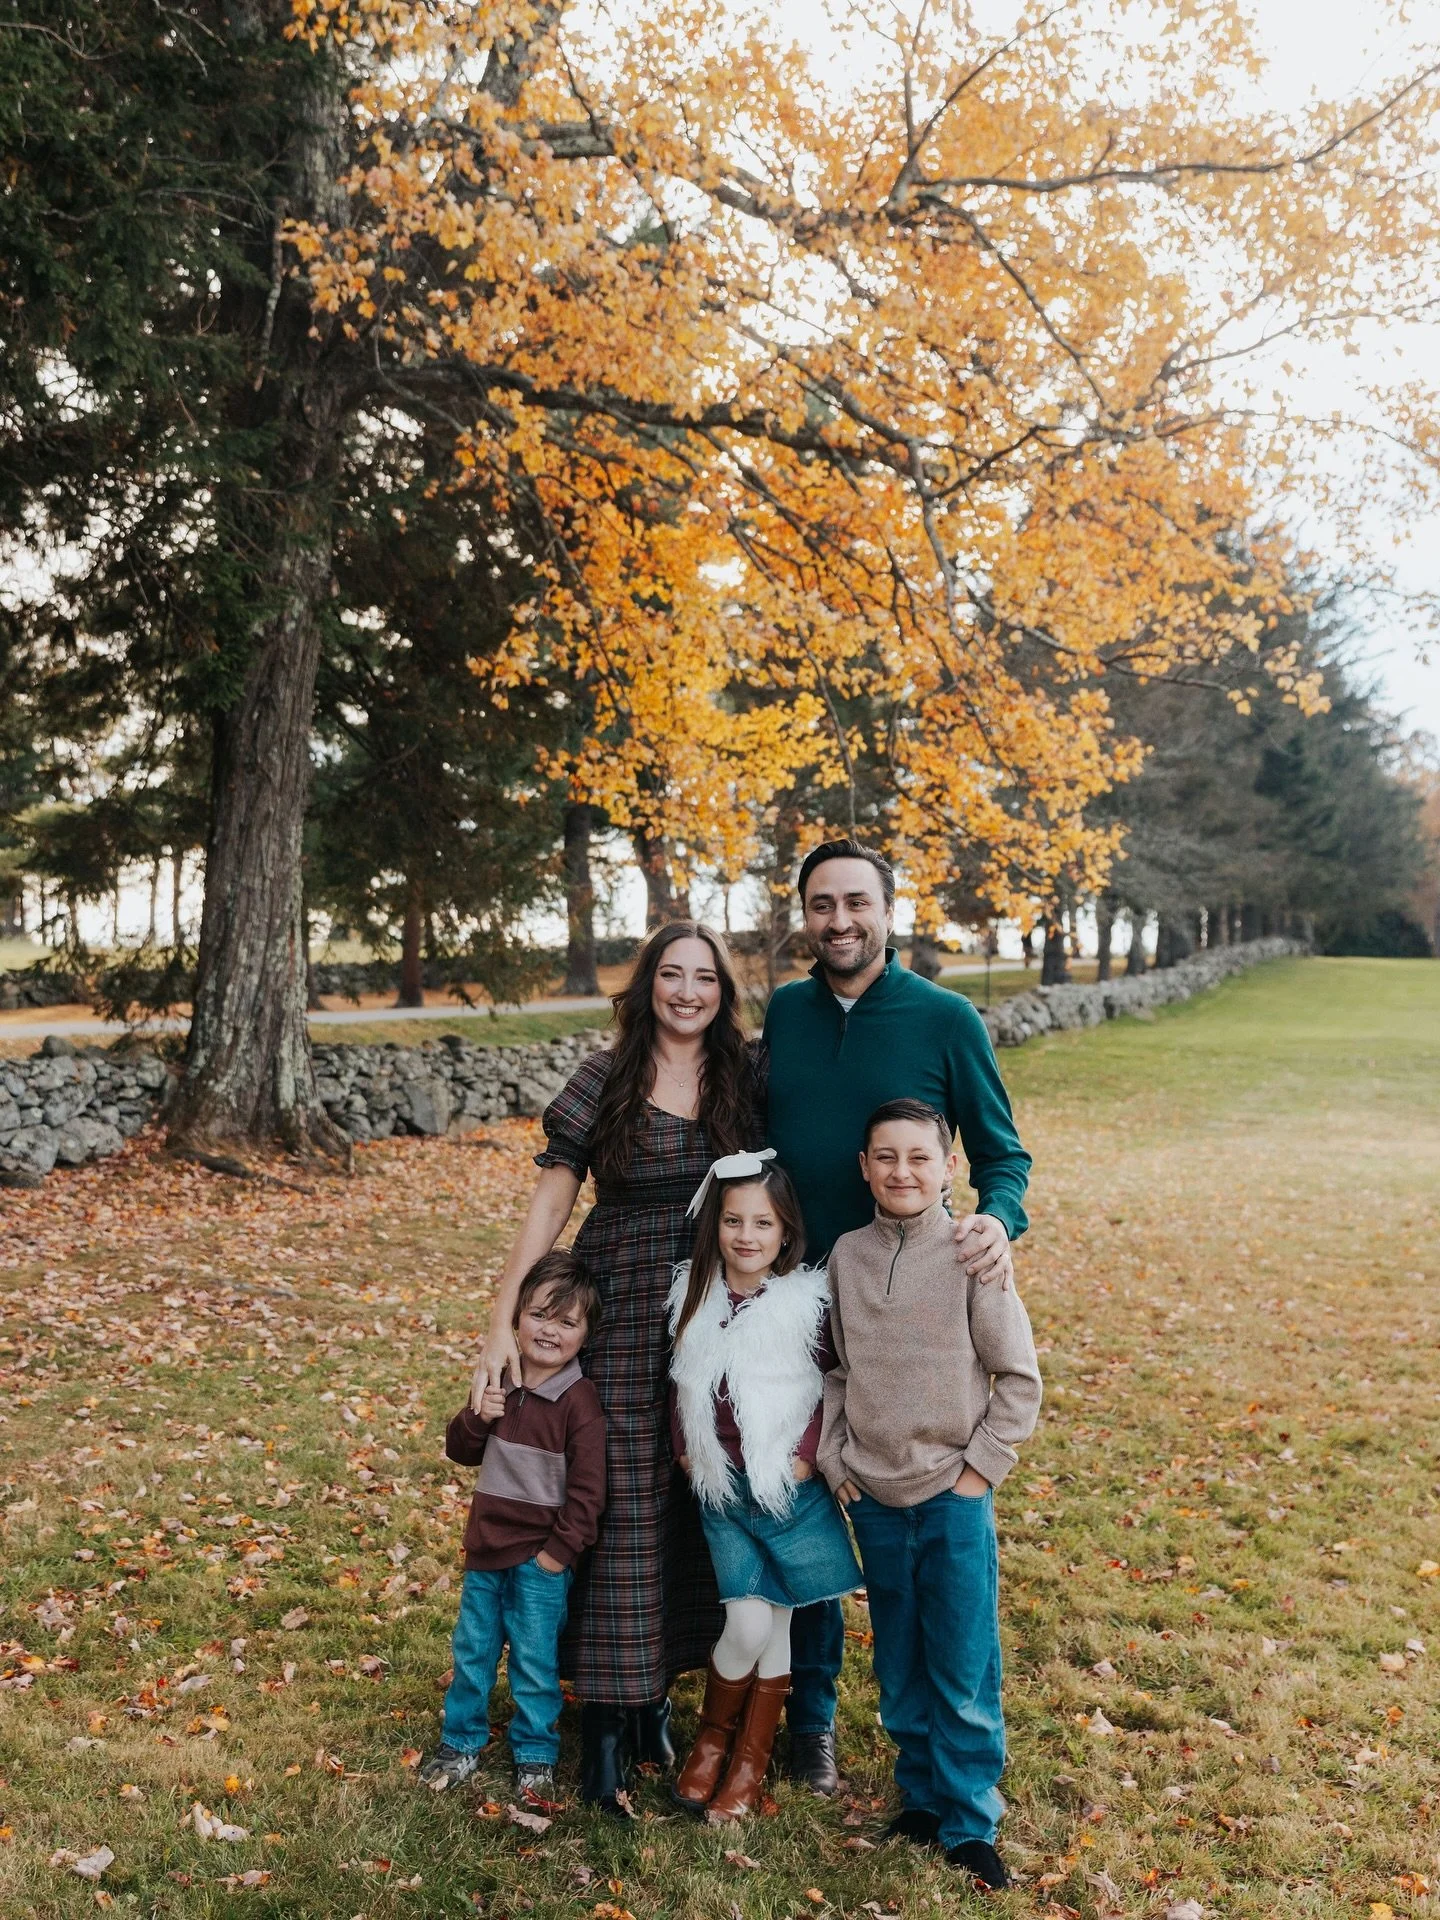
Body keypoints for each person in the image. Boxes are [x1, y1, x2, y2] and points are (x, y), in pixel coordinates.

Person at [472, 920, 763, 1811]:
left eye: (703, 977)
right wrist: (501, 1320)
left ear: (722, 991)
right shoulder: (604, 1080)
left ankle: (655, 1705)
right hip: (622, 1309)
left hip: (712, 1311)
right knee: (619, 1502)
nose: (686, 991)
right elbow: (550, 1202)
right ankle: (603, 1719)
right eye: (670, 975)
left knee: (690, 1505)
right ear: (647, 987)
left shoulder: (745, 1080)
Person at [763, 837, 1032, 1793]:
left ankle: (939, 1754)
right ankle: (810, 1719)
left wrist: (996, 1222)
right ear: (805, 915)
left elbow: (1004, 1157)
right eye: (822, 904)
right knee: (803, 1506)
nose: (841, 921)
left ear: (889, 911)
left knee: (910, 1544)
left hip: (908, 1308)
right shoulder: (785, 1016)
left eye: (857, 903)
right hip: (795, 1303)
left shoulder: (947, 1018)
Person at [819, 1099, 1042, 1890]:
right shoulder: (845, 1255)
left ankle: (969, 1817)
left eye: (920, 1157)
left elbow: (1018, 1378)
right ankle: (917, 1796)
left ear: (950, 1167)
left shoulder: (972, 1253)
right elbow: (839, 1371)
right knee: (901, 1651)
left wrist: (980, 1469)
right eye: (886, 1157)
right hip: (873, 1491)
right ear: (864, 1168)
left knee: (961, 1654)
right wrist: (835, 1458)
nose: (902, 1172)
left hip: (952, 1490)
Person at [666, 1154, 861, 1822]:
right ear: (715, 1225)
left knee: (776, 1621)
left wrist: (808, 1455)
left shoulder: (803, 1305)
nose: (747, 1235)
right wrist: (684, 1450)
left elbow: (829, 1386)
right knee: (746, 1621)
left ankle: (749, 1760)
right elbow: (682, 1382)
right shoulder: (693, 1294)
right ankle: (712, 1743)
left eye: (763, 1223)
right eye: (733, 1220)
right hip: (723, 1491)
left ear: (786, 1232)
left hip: (785, 1487)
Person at [420, 1251, 606, 1800]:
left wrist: (556, 1555)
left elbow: (588, 1493)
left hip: (540, 1562)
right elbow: (460, 1450)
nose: (550, 1330)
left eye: (567, 1322)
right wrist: (480, 1415)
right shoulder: (502, 1379)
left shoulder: (579, 1401)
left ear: (585, 1334)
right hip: (486, 1549)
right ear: (517, 1318)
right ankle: (460, 1741)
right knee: (472, 1650)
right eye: (540, 1315)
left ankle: (534, 1752)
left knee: (533, 1659)